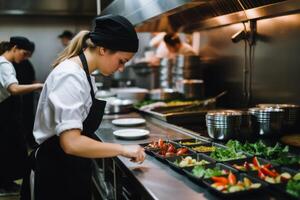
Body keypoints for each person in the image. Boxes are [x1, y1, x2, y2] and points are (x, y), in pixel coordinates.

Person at [20, 14, 146, 200]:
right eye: (122, 61)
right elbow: (71, 143)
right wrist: (122, 149)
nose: (121, 68)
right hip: (54, 173)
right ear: (103, 49)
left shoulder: (84, 75)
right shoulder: (70, 76)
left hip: (69, 168)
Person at [0, 37, 43, 196]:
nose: (24, 58)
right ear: (15, 48)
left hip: (6, 111)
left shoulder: (4, 63)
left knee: (7, 148)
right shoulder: (4, 64)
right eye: (24, 54)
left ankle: (6, 183)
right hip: (4, 112)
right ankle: (4, 185)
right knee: (7, 148)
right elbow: (14, 89)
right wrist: (39, 86)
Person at [13, 41, 38, 148]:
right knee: (25, 119)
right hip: (22, 96)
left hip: (23, 96)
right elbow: (33, 81)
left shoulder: (22, 63)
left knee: (25, 119)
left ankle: (26, 143)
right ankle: (28, 143)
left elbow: (32, 80)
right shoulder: (10, 64)